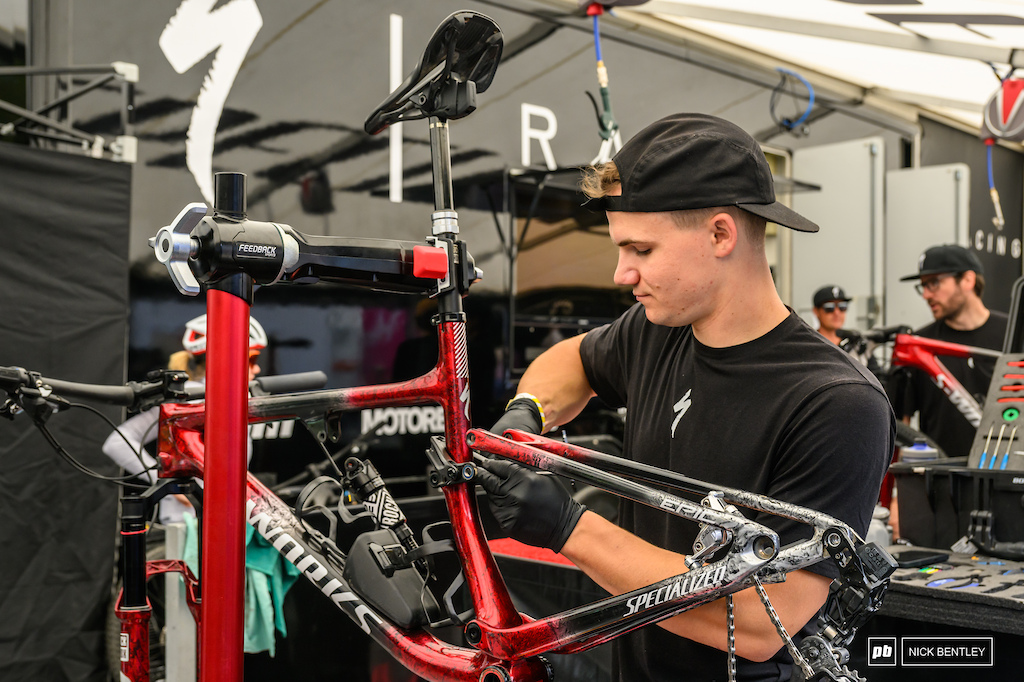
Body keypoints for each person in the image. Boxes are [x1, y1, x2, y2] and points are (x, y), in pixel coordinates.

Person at [475, 113, 894, 681]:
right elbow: (572, 360)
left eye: (641, 250)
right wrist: (529, 414)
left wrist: (569, 528)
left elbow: (762, 623)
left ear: (721, 234)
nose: (622, 273)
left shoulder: (836, 402)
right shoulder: (658, 328)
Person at [102, 314, 267, 523]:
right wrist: (167, 484)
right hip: (186, 524)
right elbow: (117, 442)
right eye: (252, 360)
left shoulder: (237, 398)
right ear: (224, 358)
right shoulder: (189, 397)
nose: (258, 369)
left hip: (224, 521)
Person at [896, 244, 1008, 459]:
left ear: (967, 280)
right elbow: (902, 424)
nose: (926, 295)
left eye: (934, 283)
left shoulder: (1013, 334)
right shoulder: (918, 345)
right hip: (939, 480)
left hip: (1004, 475)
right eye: (923, 287)